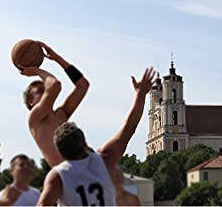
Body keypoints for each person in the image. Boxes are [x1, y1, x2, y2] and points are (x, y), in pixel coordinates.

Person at [37, 68, 156, 206]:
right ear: (85, 144)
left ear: (60, 152)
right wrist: (140, 94)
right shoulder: (105, 159)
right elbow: (129, 127)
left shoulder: (58, 176)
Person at [20, 42, 90, 168]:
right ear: (31, 102)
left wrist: (57, 58)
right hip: (70, 178)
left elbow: (83, 85)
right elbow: (54, 85)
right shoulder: (35, 119)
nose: (46, 90)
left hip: (88, 170)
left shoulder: (60, 115)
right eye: (41, 91)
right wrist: (36, 70)